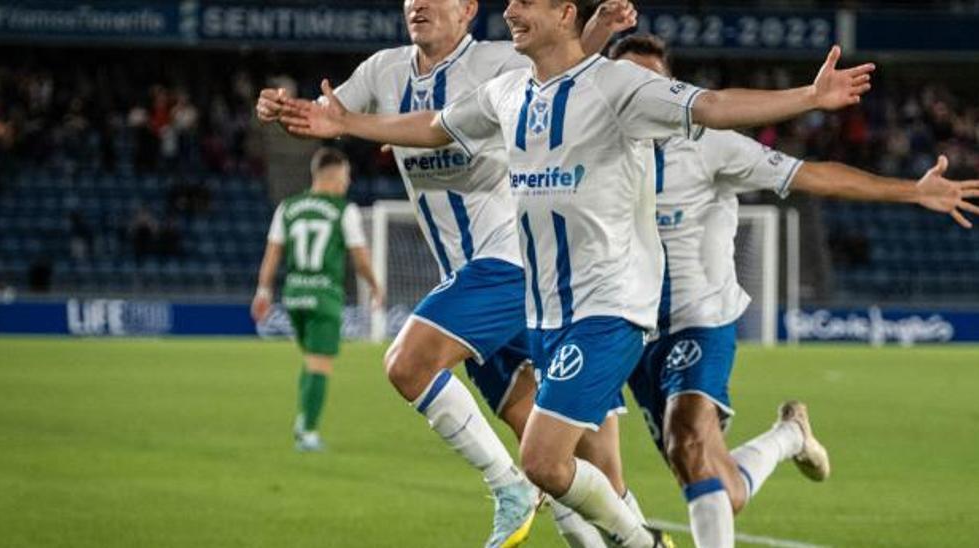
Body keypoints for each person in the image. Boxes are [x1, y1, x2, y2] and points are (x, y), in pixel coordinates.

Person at [279, 0, 875, 545]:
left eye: (524, 3)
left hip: (609, 308)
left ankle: (631, 539)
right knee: (583, 474)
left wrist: (808, 96)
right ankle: (636, 536)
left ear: (564, 13)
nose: (508, 10)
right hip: (546, 312)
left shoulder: (619, 85)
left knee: (538, 460)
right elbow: (436, 127)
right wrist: (347, 124)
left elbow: (713, 106)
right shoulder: (509, 92)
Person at [255, 1, 638, 546]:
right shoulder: (383, 72)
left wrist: (598, 28)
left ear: (467, 10)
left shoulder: (497, 63)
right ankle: (628, 537)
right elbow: (327, 114)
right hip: (470, 279)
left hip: (511, 263)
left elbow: (567, 63)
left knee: (408, 363)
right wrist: (284, 110)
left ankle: (506, 487)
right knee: (550, 451)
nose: (418, 4)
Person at [609, 35, 979, 547]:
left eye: (652, 84)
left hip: (700, 318)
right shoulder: (596, 148)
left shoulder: (711, 143)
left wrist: (910, 190)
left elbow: (810, 175)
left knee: (687, 442)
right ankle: (790, 435)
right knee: (716, 483)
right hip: (631, 328)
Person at [250, 148, 382, 453]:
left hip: (294, 294)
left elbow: (272, 253)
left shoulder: (288, 207)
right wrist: (375, 285)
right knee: (320, 364)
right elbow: (360, 258)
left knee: (310, 360)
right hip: (324, 294)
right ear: (336, 176)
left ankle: (302, 419)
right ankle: (307, 432)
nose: (347, 183)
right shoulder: (343, 210)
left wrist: (263, 291)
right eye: (346, 176)